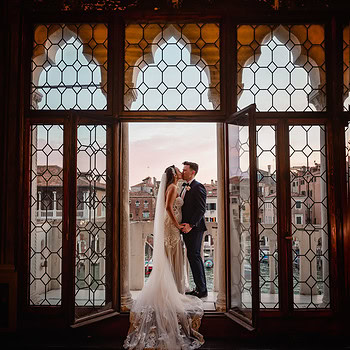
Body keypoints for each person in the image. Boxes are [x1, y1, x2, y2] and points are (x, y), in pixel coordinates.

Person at [124, 165, 204, 350]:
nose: (181, 172)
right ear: (174, 174)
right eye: (179, 170)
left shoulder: (176, 186)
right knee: (172, 256)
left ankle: (173, 288)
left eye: (183, 169)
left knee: (172, 257)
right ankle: (173, 290)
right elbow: (168, 207)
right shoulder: (173, 187)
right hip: (171, 227)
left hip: (172, 227)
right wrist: (177, 224)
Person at [181, 161, 208, 299]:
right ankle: (199, 287)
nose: (182, 172)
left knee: (195, 256)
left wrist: (190, 225)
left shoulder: (198, 187)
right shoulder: (184, 187)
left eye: (185, 170)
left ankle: (202, 289)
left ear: (193, 172)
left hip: (195, 229)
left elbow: (201, 209)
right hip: (186, 228)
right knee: (192, 257)